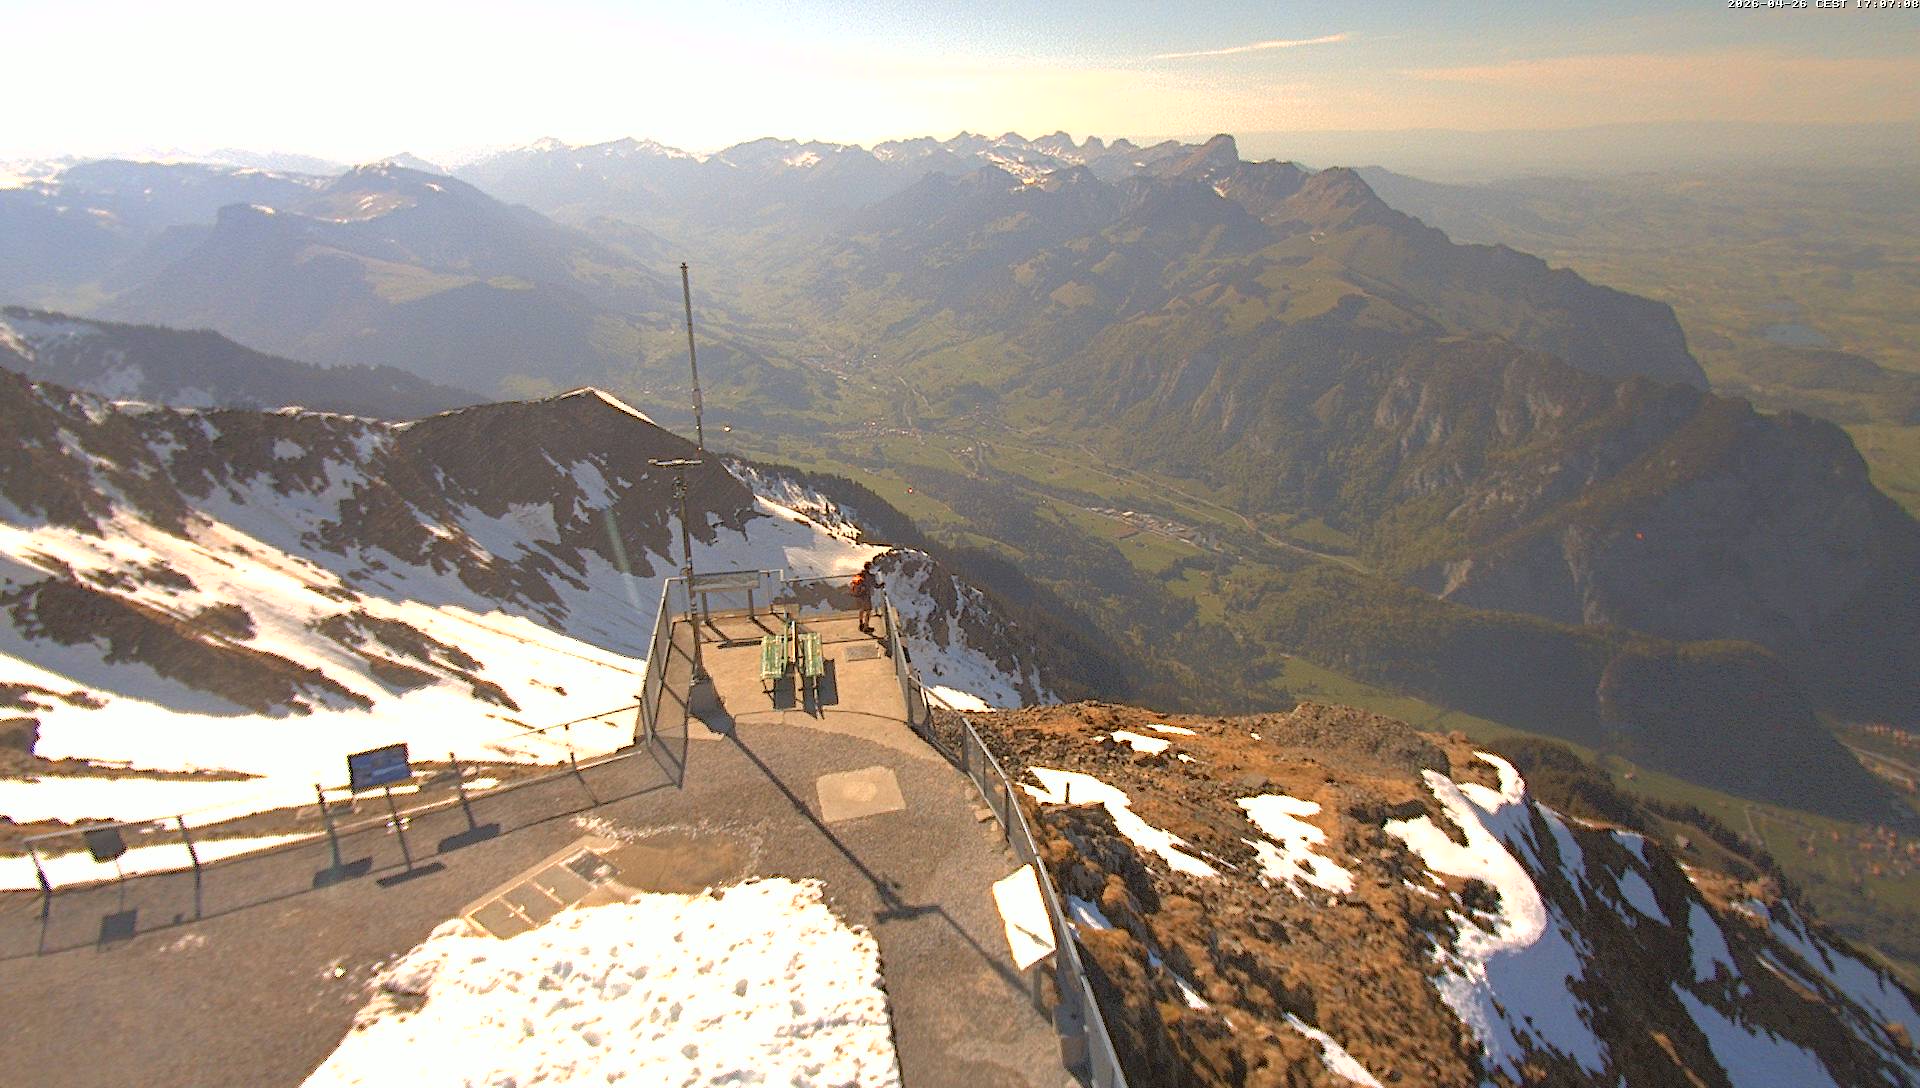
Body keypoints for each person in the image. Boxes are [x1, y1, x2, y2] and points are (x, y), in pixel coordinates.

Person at [851, 561, 881, 633]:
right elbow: (876, 586)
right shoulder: (871, 577)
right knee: (868, 611)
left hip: (859, 595)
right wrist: (882, 584)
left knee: (861, 609)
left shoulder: (860, 574)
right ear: (869, 568)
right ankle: (866, 627)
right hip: (866, 595)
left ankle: (861, 624)